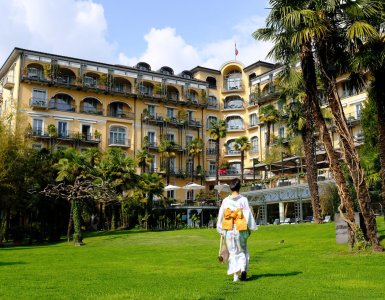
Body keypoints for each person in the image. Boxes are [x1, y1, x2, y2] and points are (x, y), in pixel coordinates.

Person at [216, 178, 257, 281]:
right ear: (239, 187)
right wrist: (250, 228)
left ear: (231, 188)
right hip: (240, 228)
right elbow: (247, 215)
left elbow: (221, 215)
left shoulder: (225, 201)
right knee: (242, 250)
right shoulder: (243, 200)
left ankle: (235, 276)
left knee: (233, 252)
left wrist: (220, 228)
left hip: (229, 229)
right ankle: (243, 269)